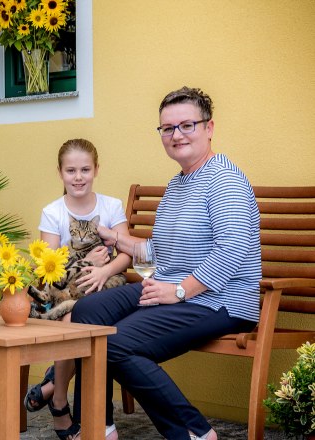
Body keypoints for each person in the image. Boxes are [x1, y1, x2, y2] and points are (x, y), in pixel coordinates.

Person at [69, 87, 261, 440]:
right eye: (168, 128)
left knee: (112, 343)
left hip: (222, 300)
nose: (176, 135)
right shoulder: (178, 184)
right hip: (171, 287)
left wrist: (179, 290)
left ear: (209, 128)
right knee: (88, 312)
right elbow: (163, 250)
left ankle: (194, 432)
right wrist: (118, 240)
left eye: (187, 125)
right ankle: (99, 426)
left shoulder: (225, 180)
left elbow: (232, 248)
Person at [24, 138, 131, 440]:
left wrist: (104, 271)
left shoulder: (111, 206)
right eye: (71, 170)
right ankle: (60, 403)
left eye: (85, 169)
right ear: (60, 173)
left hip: (105, 291)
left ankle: (52, 389)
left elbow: (126, 253)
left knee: (86, 318)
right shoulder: (53, 211)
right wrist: (85, 258)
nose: (78, 176)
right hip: (63, 296)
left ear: (97, 169)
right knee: (77, 319)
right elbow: (49, 264)